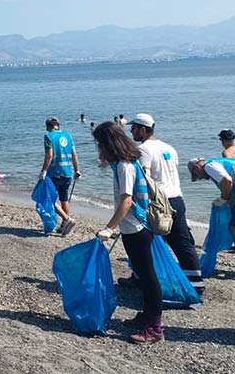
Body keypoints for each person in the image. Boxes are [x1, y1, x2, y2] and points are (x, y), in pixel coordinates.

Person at [93, 121, 163, 344]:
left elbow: (126, 201)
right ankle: (146, 316)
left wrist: (109, 228)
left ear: (108, 144)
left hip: (137, 228)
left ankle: (155, 327)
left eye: (100, 144)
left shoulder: (124, 166)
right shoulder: (124, 164)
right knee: (143, 275)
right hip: (134, 228)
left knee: (149, 277)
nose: (99, 148)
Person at [129, 114, 203, 294]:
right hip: (177, 198)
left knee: (144, 241)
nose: (131, 130)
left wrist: (138, 203)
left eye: (134, 128)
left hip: (158, 202)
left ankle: (142, 278)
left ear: (143, 129)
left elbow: (145, 178)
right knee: (183, 244)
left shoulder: (144, 149)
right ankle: (196, 284)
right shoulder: (169, 147)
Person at [188, 156, 235, 278]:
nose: (200, 179)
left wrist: (223, 199)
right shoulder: (223, 162)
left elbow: (227, 181)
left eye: (197, 175)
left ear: (197, 167)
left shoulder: (209, 166)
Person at [40, 116, 81, 236]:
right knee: (64, 198)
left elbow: (49, 155)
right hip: (67, 172)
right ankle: (64, 225)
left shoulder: (48, 136)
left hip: (54, 173)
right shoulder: (68, 136)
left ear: (48, 126)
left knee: (48, 198)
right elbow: (74, 155)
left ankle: (67, 219)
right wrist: (77, 170)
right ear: (59, 125)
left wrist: (43, 171)